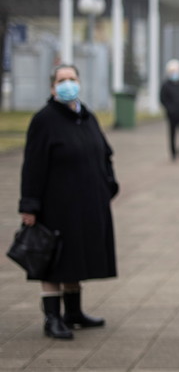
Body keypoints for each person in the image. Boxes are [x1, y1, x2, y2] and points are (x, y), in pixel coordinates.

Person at [18, 64, 118, 340]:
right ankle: (52, 318)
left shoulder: (86, 116)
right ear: (52, 87)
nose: (68, 84)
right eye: (62, 80)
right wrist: (29, 205)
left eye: (72, 78)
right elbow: (33, 166)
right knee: (53, 259)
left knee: (76, 256)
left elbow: (104, 152)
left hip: (85, 204)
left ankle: (74, 312)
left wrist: (108, 185)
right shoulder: (44, 120)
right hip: (55, 205)